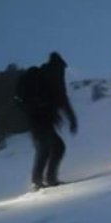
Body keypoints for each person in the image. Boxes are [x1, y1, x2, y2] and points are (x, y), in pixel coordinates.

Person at [17, 52, 78, 190]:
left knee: (46, 148)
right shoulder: (54, 75)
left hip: (35, 118)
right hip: (41, 118)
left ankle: (40, 180)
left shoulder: (43, 74)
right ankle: (44, 180)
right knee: (55, 147)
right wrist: (72, 119)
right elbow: (63, 100)